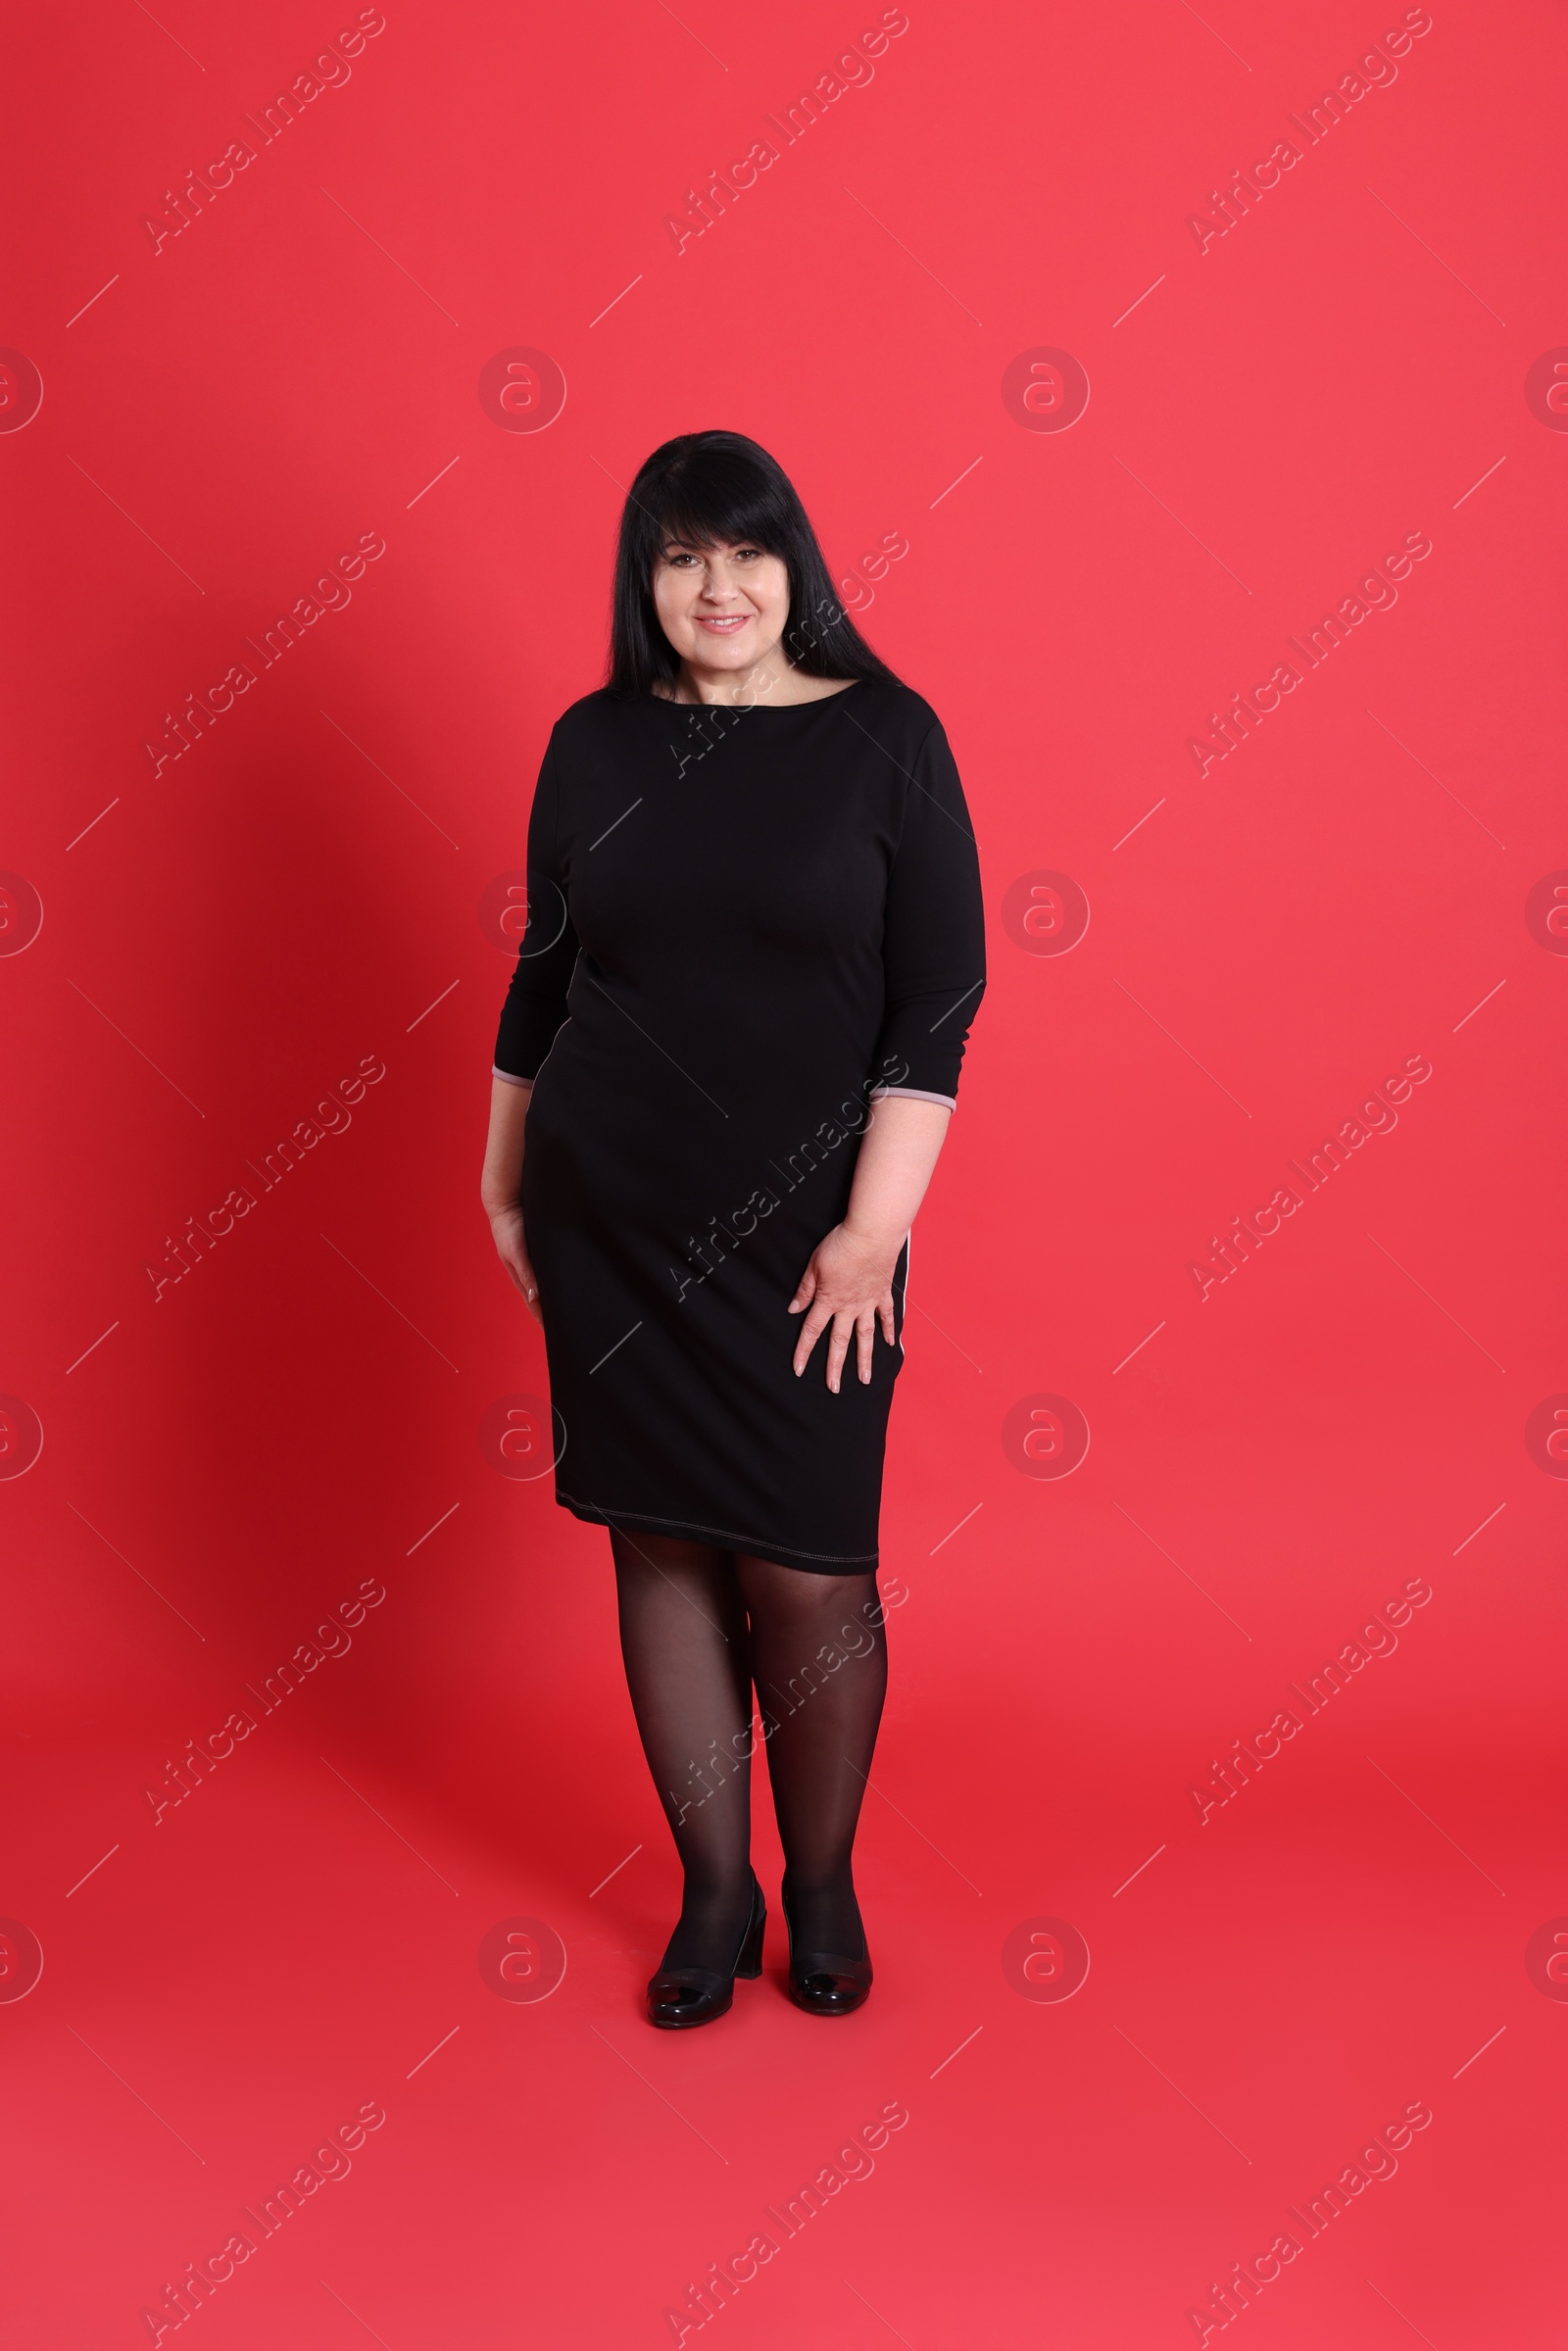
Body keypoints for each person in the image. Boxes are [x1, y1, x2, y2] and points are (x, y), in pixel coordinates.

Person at [479, 429, 985, 2028]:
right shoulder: (594, 742)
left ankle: (820, 1879)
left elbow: (939, 1001)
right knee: (663, 1544)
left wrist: (869, 1235)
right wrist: (501, 1176)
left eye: (748, 552)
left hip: (812, 1242)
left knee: (811, 1576)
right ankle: (714, 1891)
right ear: (647, 578)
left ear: (797, 567)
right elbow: (543, 976)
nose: (719, 585)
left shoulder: (888, 739)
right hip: (610, 1212)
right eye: (684, 555)